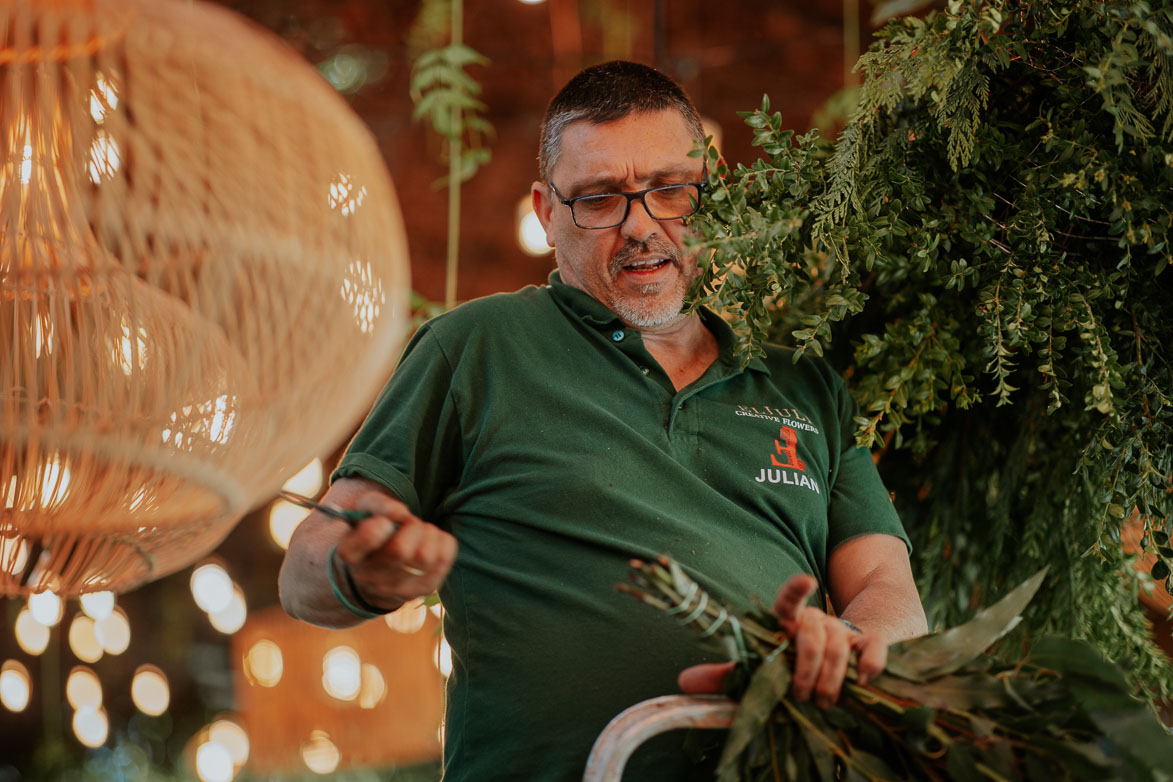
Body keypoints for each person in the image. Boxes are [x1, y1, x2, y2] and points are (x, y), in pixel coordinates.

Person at [279, 60, 927, 781]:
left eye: (670, 191)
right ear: (545, 212)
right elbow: (305, 569)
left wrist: (847, 644)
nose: (640, 227)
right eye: (598, 200)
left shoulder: (804, 382)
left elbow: (889, 590)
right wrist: (360, 567)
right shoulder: (477, 347)